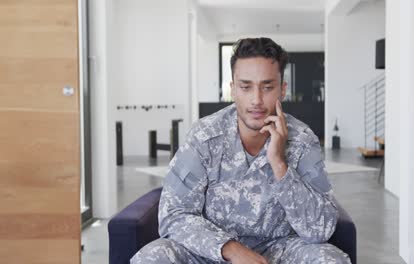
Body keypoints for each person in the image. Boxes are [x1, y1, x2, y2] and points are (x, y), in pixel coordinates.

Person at [131, 37, 351, 264]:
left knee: (330, 260)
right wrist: (231, 249)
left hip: (279, 253)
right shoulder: (204, 136)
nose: (256, 100)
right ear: (233, 89)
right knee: (152, 257)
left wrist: (279, 163)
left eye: (267, 87)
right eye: (246, 87)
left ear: (282, 90)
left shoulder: (303, 141)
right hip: (210, 253)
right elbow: (173, 215)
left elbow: (320, 229)